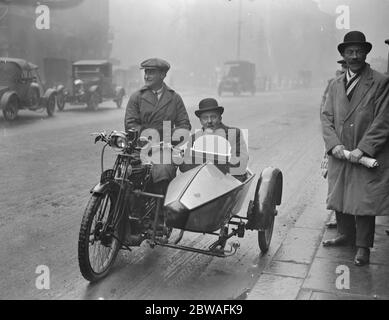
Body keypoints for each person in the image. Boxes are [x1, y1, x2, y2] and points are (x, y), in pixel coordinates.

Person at [320, 31, 389, 266]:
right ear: (343, 55)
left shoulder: (379, 82)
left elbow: (383, 120)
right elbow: (326, 116)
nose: (355, 56)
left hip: (363, 152)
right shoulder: (335, 84)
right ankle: (345, 234)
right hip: (340, 150)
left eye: (359, 51)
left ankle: (363, 247)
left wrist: (364, 149)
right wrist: (333, 144)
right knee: (341, 192)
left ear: (367, 53)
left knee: (364, 199)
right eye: (350, 52)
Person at [124, 58, 192, 194]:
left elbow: (184, 125)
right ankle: (123, 212)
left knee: (163, 171)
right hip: (139, 147)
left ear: (163, 75)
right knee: (124, 174)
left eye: (151, 72)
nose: (147, 76)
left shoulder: (174, 98)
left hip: (163, 148)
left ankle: (159, 212)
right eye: (146, 72)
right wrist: (147, 135)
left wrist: (168, 137)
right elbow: (130, 123)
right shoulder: (136, 97)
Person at [180, 98, 249, 180]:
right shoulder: (194, 138)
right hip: (203, 182)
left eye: (213, 117)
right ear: (200, 121)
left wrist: (206, 163)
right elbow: (184, 167)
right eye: (205, 118)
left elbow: (240, 163)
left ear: (220, 118)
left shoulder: (234, 134)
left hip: (229, 182)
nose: (209, 121)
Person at [320, 59, 347, 229]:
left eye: (347, 66)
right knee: (334, 178)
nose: (345, 68)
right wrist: (330, 139)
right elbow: (324, 110)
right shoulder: (333, 84)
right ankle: (338, 217)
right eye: (343, 66)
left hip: (353, 139)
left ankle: (351, 221)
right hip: (334, 139)